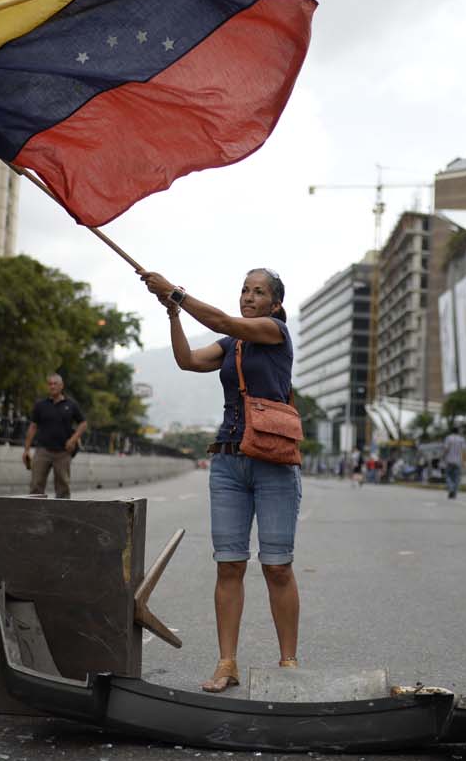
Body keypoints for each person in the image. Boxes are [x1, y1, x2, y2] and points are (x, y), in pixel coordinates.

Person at [141, 267, 301, 692]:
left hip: (273, 463)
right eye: (245, 289)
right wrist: (172, 315)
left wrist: (177, 294)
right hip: (228, 462)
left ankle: (289, 665)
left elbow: (224, 321)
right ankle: (226, 664)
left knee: (277, 567)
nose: (249, 296)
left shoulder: (275, 333)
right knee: (228, 565)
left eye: (259, 292)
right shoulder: (230, 346)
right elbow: (188, 361)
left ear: (275, 304)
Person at [22, 373, 86, 499]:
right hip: (42, 451)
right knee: (36, 486)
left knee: (63, 488)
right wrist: (26, 450)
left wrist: (73, 440)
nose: (52, 386)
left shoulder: (71, 404)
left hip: (63, 452)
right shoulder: (40, 405)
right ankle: (34, 515)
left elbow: (83, 423)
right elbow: (33, 427)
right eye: (50, 384)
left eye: (55, 383)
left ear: (61, 386)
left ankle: (61, 516)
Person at [442, 426, 466, 499]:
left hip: (449, 460)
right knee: (456, 478)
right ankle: (454, 493)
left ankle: (451, 488)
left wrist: (443, 457)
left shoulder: (448, 438)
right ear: (458, 432)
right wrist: (464, 461)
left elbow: (446, 449)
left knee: (448, 476)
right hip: (458, 461)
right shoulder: (461, 439)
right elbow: (464, 451)